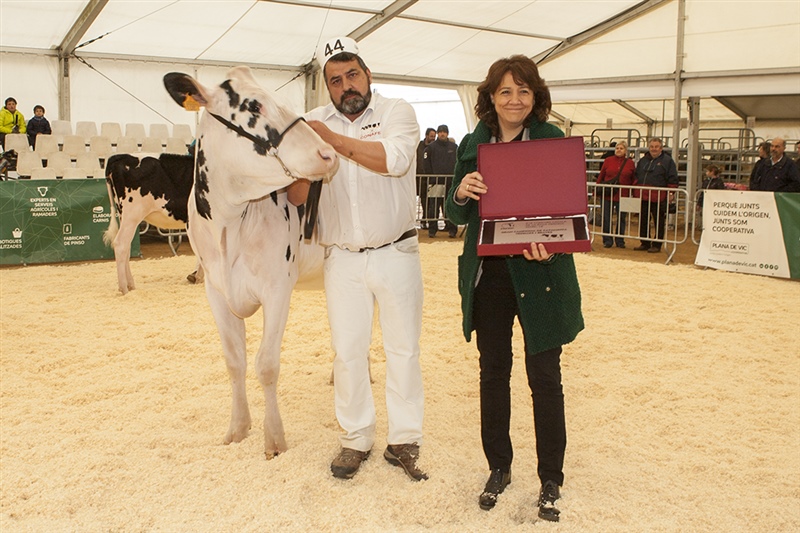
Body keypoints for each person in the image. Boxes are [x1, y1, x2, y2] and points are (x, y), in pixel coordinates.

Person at [445, 54, 584, 522]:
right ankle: (499, 467)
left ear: (535, 95)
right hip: (490, 277)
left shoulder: (551, 140)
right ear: (490, 97)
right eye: (505, 91)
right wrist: (462, 192)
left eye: (523, 90)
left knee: (545, 376)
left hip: (539, 275)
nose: (514, 99)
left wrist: (555, 247)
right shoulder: (473, 141)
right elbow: (455, 213)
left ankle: (551, 477)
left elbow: (566, 210)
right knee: (493, 373)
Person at [303, 37, 427, 482]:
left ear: (368, 75)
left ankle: (404, 439)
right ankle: (355, 438)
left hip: (397, 251)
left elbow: (393, 160)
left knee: (403, 350)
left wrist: (332, 142)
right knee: (348, 353)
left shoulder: (397, 112)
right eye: (335, 81)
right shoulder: (313, 121)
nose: (345, 85)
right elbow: (299, 189)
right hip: (343, 258)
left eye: (352, 74)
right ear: (327, 88)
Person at [633, 137, 679, 253]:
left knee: (658, 220)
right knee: (643, 219)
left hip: (659, 196)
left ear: (661, 148)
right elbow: (637, 176)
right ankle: (644, 241)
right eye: (652, 147)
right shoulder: (643, 161)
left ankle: (657, 244)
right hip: (643, 195)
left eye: (656, 147)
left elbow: (673, 177)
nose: (654, 149)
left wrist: (671, 192)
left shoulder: (668, 161)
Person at [595, 140, 635, 248]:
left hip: (623, 194)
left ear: (625, 151)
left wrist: (634, 193)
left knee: (621, 218)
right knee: (606, 217)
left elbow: (633, 179)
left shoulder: (630, 163)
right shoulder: (608, 161)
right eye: (617, 148)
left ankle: (620, 240)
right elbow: (601, 175)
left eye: (621, 148)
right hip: (607, 193)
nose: (618, 150)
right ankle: (607, 240)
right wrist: (597, 189)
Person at [423, 124, 459, 237]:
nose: (442, 133)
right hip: (435, 182)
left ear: (447, 133)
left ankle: (452, 229)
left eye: (444, 132)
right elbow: (426, 164)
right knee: (433, 207)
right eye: (440, 132)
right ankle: (432, 230)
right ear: (438, 133)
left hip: (451, 182)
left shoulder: (454, 147)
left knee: (450, 206)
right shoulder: (431, 148)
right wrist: (432, 178)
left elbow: (459, 162)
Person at [416, 127, 436, 229]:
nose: (433, 138)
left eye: (434, 136)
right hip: (420, 178)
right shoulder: (418, 146)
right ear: (426, 136)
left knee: (432, 201)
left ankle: (429, 220)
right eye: (431, 136)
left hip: (432, 178)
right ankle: (423, 220)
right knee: (423, 200)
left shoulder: (435, 147)